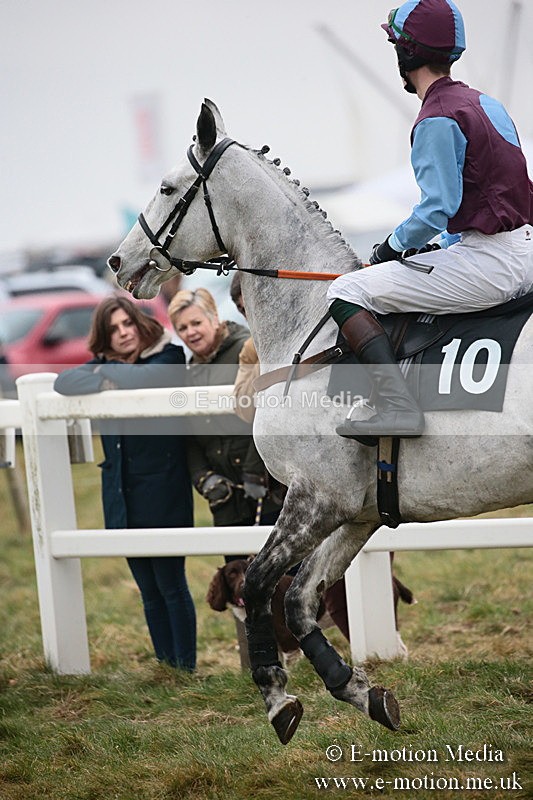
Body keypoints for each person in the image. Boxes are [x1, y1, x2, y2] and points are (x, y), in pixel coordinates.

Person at [327, 0, 533, 446]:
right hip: (525, 248)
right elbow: (492, 194)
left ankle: (395, 405)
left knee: (345, 290)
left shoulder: (435, 118)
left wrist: (388, 248)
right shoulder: (487, 103)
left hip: (492, 264)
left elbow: (436, 207)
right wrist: (440, 243)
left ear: (405, 54)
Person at [54, 295, 197, 671]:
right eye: (113, 329)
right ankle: (165, 667)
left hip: (163, 492)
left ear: (138, 323)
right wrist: (106, 371)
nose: (122, 334)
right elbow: (65, 382)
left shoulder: (167, 357)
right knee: (148, 591)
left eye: (127, 324)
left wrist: (104, 374)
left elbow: (151, 378)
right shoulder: (105, 364)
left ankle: (185, 668)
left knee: (170, 585)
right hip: (120, 495)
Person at [167, 287, 283, 553]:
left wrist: (256, 471)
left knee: (281, 581)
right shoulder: (190, 371)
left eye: (196, 323)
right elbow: (191, 437)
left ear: (214, 318)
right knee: (237, 580)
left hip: (267, 491)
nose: (190, 332)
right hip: (226, 499)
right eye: (182, 328)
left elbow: (270, 409)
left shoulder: (247, 348)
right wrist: (203, 478)